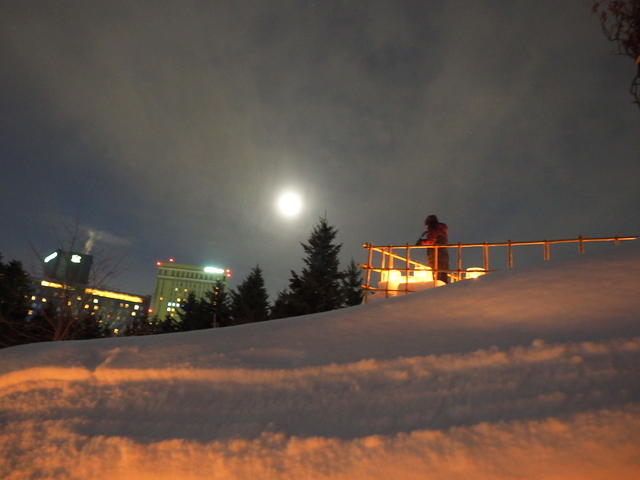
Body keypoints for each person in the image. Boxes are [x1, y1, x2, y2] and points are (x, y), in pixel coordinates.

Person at [416, 214, 449, 283]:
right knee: (443, 275)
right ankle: (445, 290)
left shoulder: (433, 230)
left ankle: (438, 291)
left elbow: (431, 242)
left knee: (437, 275)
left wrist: (421, 242)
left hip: (435, 256)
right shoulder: (441, 230)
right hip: (443, 256)